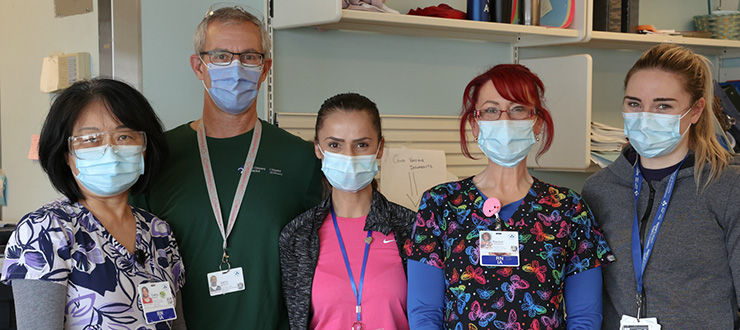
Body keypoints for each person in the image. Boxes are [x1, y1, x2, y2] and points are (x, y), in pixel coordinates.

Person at [129, 4, 323, 329]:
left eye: (250, 56)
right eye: (221, 56)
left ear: (265, 68)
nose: (236, 67)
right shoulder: (158, 156)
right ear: (198, 66)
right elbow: (135, 261)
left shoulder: (299, 158)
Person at [406, 64, 615, 330]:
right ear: (475, 124)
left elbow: (584, 317)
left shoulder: (568, 208)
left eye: (518, 109)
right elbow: (425, 313)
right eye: (491, 110)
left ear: (537, 123)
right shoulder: (440, 204)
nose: (504, 121)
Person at [1, 78, 185, 329]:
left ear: (144, 147)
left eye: (124, 136)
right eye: (90, 140)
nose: (109, 150)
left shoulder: (158, 232)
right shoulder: (46, 231)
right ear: (66, 154)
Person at [581, 43, 740, 329]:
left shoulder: (728, 187)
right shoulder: (599, 190)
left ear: (695, 111)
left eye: (663, 105)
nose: (645, 116)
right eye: (634, 104)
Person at [279, 93, 415, 330]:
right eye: (335, 145)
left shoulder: (410, 228)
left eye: (361, 145)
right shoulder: (298, 236)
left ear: (380, 148)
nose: (349, 157)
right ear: (318, 149)